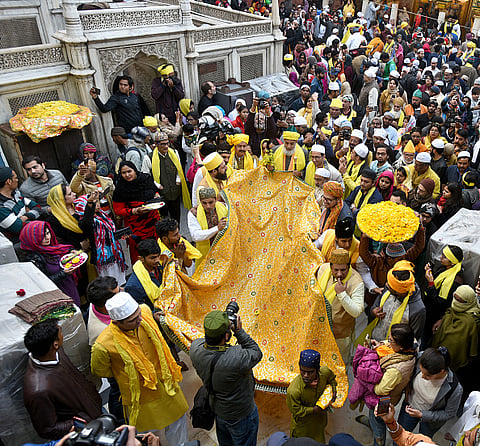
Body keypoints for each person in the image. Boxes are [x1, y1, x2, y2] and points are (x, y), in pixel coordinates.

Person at [91, 292, 189, 443]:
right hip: (141, 397)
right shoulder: (103, 345)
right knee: (148, 436)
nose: (140, 319)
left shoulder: (144, 311)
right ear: (117, 323)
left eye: (138, 314)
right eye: (133, 320)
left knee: (178, 422)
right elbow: (100, 370)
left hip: (167, 385)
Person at [189, 310, 263, 446]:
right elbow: (256, 352)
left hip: (218, 410)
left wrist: (218, 324)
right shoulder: (235, 358)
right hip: (241, 414)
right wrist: (239, 331)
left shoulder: (195, 349)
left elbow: (204, 341)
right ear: (227, 335)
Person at [23, 319, 102, 440]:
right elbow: (48, 429)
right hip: (87, 427)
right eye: (61, 334)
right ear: (55, 344)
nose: (63, 336)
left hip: (93, 408)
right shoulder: (38, 391)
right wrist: (80, 423)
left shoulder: (56, 352)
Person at [368, 324, 416, 446]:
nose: (388, 342)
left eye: (391, 340)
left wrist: (368, 381)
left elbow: (379, 390)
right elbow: (388, 345)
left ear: (400, 347)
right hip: (391, 395)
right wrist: (379, 345)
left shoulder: (396, 370)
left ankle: (379, 441)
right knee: (375, 419)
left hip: (384, 401)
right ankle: (372, 423)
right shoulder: (412, 345)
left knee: (379, 421)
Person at [397, 347, 463, 438]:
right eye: (421, 371)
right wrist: (408, 385)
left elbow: (449, 413)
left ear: (441, 372)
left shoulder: (454, 389)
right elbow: (410, 369)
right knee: (400, 436)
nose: (422, 377)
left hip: (430, 422)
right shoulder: (422, 358)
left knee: (423, 441)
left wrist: (422, 415)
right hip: (409, 407)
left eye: (428, 375)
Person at [316, 249, 364, 362]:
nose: (339, 274)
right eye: (335, 270)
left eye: (343, 270)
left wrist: (342, 294)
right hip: (320, 329)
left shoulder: (357, 282)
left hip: (341, 334)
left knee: (340, 364)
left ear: (348, 266)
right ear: (330, 267)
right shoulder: (323, 269)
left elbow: (357, 311)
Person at [18, 221, 81, 306]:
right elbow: (43, 283)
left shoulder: (49, 247)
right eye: (42, 236)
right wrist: (64, 273)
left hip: (68, 286)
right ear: (33, 238)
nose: (47, 238)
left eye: (48, 233)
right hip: (57, 293)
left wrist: (70, 252)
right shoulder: (32, 259)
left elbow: (59, 250)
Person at [112, 161, 161, 263]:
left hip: (153, 221)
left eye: (129, 171)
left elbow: (154, 190)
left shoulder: (146, 179)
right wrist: (134, 210)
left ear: (135, 170)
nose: (127, 175)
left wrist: (156, 195)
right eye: (123, 173)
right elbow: (118, 210)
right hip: (135, 226)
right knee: (139, 253)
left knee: (157, 246)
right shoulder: (120, 189)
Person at [74, 191, 126, 285]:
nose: (97, 205)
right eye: (94, 203)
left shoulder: (103, 215)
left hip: (115, 253)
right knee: (109, 282)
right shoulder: (85, 221)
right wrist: (90, 204)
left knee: (120, 281)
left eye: (97, 202)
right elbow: (87, 222)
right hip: (103, 258)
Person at [286, 349, 337, 443]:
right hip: (302, 428)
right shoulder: (293, 390)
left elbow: (332, 379)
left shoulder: (324, 373)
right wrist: (314, 410)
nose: (305, 375)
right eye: (302, 371)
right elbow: (296, 411)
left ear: (318, 370)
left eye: (310, 372)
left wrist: (333, 390)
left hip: (319, 422)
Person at [367, 261, 426, 343]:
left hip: (395, 351)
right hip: (376, 340)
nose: (386, 286)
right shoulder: (389, 288)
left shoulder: (418, 309)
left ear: (400, 292)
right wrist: (374, 311)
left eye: (390, 288)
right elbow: (375, 305)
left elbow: (412, 340)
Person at [142, 131, 191, 222]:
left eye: (167, 143)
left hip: (174, 190)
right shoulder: (149, 158)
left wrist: (178, 180)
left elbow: (179, 168)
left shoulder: (174, 152)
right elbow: (145, 176)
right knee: (163, 218)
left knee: (176, 216)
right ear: (156, 144)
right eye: (162, 144)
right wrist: (157, 185)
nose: (166, 147)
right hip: (160, 193)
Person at [423, 245, 464, 342]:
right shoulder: (446, 269)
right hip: (428, 309)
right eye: (442, 254)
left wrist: (430, 283)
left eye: (445, 257)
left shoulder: (455, 281)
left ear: (452, 262)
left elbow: (440, 302)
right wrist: (430, 270)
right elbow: (439, 279)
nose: (441, 257)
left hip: (435, 314)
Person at [188, 187, 228, 267]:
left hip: (223, 251)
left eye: (211, 202)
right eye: (204, 203)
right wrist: (217, 228)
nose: (208, 206)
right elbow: (196, 236)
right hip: (205, 254)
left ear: (215, 199)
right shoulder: (193, 213)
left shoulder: (224, 207)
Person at [0, 167, 42, 242]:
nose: (17, 180)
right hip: (19, 241)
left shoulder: (16, 193)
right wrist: (30, 214)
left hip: (32, 231)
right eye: (15, 178)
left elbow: (38, 207)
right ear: (9, 181)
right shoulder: (1, 208)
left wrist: (25, 217)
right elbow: (19, 228)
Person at [46, 185, 89, 251]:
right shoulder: (54, 220)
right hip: (77, 253)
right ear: (61, 199)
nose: (74, 194)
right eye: (70, 194)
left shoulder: (79, 206)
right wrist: (79, 245)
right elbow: (61, 241)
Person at [125, 239, 163, 311]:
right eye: (153, 258)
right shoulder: (133, 286)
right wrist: (154, 315)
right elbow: (139, 311)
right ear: (141, 258)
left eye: (158, 256)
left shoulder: (161, 267)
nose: (157, 260)